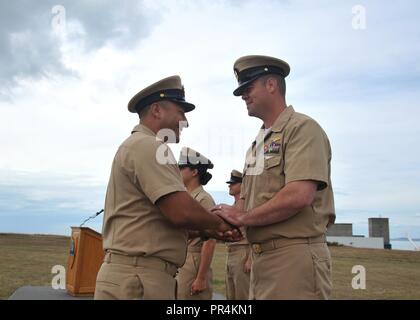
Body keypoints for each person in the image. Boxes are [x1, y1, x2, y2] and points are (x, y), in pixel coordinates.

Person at [94, 75, 240, 300]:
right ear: (156, 110)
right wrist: (219, 224)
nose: (185, 121)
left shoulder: (139, 145)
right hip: (138, 279)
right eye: (181, 112)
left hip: (135, 275)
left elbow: (156, 223)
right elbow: (180, 211)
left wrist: (205, 230)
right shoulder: (149, 146)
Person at [213, 55, 336, 299]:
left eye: (248, 88)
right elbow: (254, 202)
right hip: (262, 258)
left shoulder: (302, 128)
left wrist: (244, 217)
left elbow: (299, 195)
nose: (243, 96)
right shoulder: (258, 144)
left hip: (293, 258)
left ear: (271, 85)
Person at [176, 147, 216, 300]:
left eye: (181, 167)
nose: (178, 171)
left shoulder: (203, 199)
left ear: (194, 172)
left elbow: (210, 240)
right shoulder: (186, 197)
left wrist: (200, 277)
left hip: (194, 262)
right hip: (182, 259)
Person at [224, 170, 251, 300]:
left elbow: (255, 230)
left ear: (242, 185)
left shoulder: (248, 205)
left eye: (233, 183)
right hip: (231, 251)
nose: (229, 186)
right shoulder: (234, 206)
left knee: (243, 295)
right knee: (231, 295)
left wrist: (251, 258)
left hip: (243, 251)